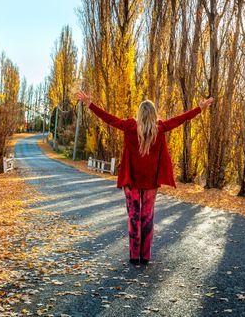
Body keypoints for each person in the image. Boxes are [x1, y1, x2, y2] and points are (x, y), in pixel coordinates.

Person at [75, 91, 214, 265]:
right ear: (154, 114)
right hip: (150, 182)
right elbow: (180, 119)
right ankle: (145, 256)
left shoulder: (129, 126)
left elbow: (108, 119)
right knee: (147, 217)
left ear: (139, 113)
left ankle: (134, 256)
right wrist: (199, 109)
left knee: (134, 217)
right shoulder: (160, 128)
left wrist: (90, 105)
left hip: (131, 181)